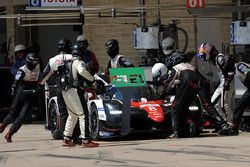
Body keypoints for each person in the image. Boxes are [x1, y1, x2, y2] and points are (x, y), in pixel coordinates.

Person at [161, 37, 233, 136]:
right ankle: (223, 125)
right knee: (208, 106)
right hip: (201, 80)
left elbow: (168, 87)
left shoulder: (176, 68)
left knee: (175, 107)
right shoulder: (190, 66)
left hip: (188, 82)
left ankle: (177, 131)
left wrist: (162, 94)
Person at [61, 42, 99, 147]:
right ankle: (86, 140)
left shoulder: (67, 62)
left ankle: (67, 138)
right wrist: (92, 80)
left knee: (72, 115)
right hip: (75, 91)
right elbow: (82, 71)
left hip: (65, 91)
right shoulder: (79, 62)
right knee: (83, 115)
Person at [0, 52, 40, 142]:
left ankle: (10, 133)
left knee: (22, 116)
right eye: (34, 61)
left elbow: (39, 78)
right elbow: (16, 82)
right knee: (13, 113)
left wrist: (38, 86)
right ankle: (3, 125)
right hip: (22, 91)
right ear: (29, 61)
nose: (36, 63)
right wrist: (13, 90)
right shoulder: (22, 70)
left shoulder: (38, 67)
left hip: (31, 92)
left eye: (37, 61)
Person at [39, 38, 73, 140]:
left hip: (60, 89)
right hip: (73, 89)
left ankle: (63, 133)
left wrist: (40, 84)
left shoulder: (52, 60)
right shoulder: (74, 58)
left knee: (63, 112)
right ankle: (76, 133)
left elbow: (44, 76)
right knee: (76, 112)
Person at [197, 43, 235, 122]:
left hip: (226, 83)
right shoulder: (215, 60)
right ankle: (223, 122)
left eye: (204, 56)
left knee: (224, 105)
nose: (204, 58)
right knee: (214, 104)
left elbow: (231, 69)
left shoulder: (219, 58)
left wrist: (227, 82)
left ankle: (231, 123)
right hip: (223, 83)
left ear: (208, 53)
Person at [230, 62, 250, 135]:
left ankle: (234, 128)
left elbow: (248, 72)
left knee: (239, 106)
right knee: (240, 106)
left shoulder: (239, 66)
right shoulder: (236, 71)